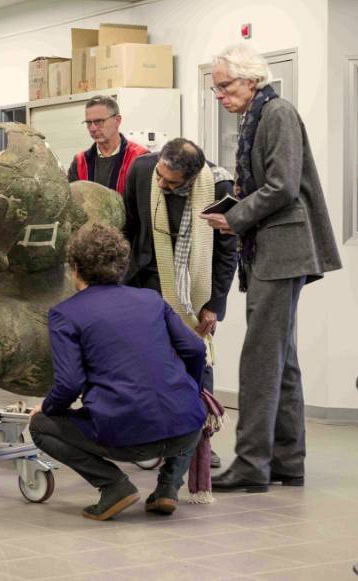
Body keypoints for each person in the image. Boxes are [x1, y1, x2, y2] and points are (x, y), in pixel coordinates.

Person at [201, 45, 341, 492]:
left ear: (251, 79)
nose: (219, 94)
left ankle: (251, 464)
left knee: (261, 359)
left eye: (225, 85)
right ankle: (286, 460)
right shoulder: (256, 115)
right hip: (275, 246)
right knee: (283, 360)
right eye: (215, 87)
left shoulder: (277, 112)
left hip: (283, 248)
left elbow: (282, 185)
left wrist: (235, 216)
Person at [29, 223, 206, 521]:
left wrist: (46, 410)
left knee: (41, 427)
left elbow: (70, 382)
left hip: (125, 437)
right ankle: (167, 488)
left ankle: (114, 486)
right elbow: (196, 350)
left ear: (75, 268)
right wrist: (190, 390)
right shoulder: (151, 299)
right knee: (190, 409)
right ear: (121, 264)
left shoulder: (65, 314)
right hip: (187, 429)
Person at [123, 138, 238, 469]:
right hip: (148, 279)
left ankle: (200, 441)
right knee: (147, 362)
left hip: (194, 289)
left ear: (192, 178)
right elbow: (129, 227)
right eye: (161, 176)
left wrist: (214, 304)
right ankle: (150, 436)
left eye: (172, 183)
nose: (162, 184)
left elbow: (227, 250)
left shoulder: (218, 185)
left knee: (197, 361)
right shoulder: (143, 168)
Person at [67, 95, 148, 195]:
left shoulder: (139, 158)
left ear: (117, 121)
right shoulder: (80, 162)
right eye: (88, 123)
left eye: (99, 122)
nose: (93, 128)